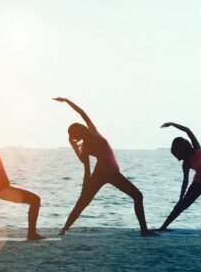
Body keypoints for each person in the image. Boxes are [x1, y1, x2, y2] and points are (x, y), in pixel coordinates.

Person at [54, 98, 155, 236]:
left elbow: (81, 113)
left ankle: (64, 229)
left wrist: (67, 101)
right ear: (80, 132)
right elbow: (86, 165)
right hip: (105, 173)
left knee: (137, 196)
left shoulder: (91, 135)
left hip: (109, 174)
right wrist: (74, 146)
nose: (83, 126)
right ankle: (64, 228)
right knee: (84, 202)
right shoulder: (89, 141)